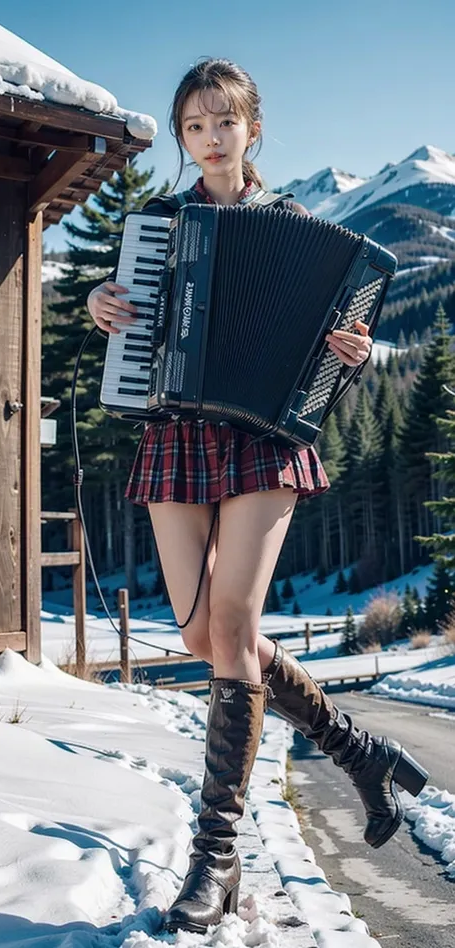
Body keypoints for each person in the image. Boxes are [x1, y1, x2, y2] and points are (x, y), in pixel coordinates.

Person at [87, 58, 429, 935]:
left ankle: (217, 858)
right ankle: (359, 751)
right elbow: (125, 315)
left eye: (223, 123)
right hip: (174, 437)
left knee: (231, 631)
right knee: (202, 635)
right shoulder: (157, 226)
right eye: (193, 126)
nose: (208, 138)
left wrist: (346, 359)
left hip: (264, 444)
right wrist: (102, 301)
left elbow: (324, 367)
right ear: (183, 136)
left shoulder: (299, 226)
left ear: (253, 128)